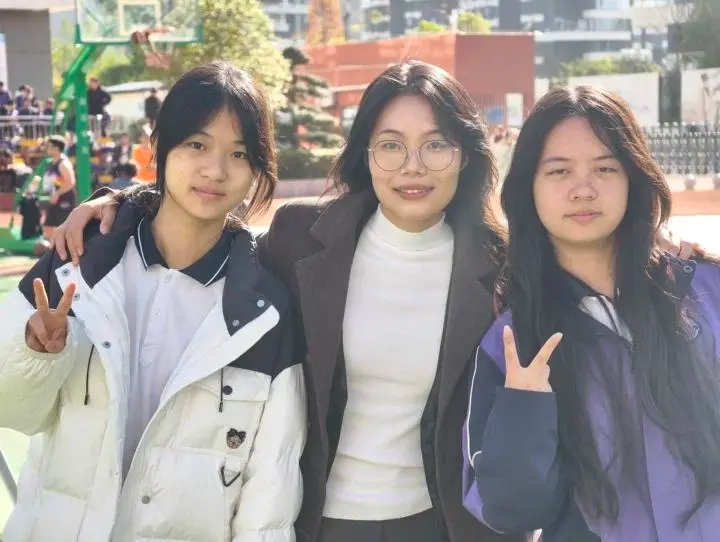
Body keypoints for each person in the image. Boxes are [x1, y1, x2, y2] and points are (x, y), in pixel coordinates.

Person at [50, 64, 700, 542]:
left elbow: (585, 251)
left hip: (443, 525)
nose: (413, 166)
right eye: (391, 145)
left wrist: (661, 246)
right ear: (365, 153)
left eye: (436, 144)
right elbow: (207, 223)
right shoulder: (300, 237)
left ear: (465, 155)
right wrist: (124, 203)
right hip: (313, 519)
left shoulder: (500, 265)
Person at [0, 61, 306, 542]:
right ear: (160, 145)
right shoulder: (77, 260)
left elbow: (268, 499)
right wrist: (37, 354)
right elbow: (13, 411)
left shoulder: (265, 313)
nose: (215, 170)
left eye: (239, 153)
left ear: (257, 169)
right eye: (197, 145)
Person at [463, 86, 720, 542]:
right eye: (558, 171)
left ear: (633, 178)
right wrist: (524, 409)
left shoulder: (705, 293)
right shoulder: (516, 340)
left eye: (605, 168)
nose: (583, 189)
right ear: (528, 189)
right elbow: (512, 510)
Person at [41, 135, 77, 240]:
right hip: (55, 200)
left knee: (64, 229)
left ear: (56, 148)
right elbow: (57, 181)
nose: (47, 148)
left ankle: (64, 248)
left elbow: (71, 182)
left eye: (49, 146)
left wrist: (57, 193)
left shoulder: (63, 164)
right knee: (48, 228)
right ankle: (57, 247)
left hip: (64, 200)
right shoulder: (52, 162)